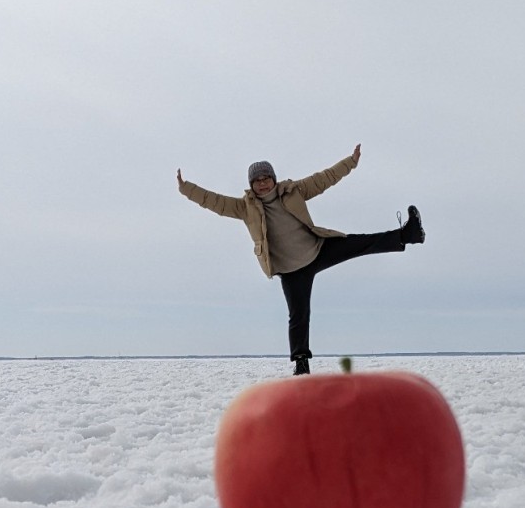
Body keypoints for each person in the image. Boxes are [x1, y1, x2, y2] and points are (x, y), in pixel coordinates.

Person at [176, 144, 425, 375]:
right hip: (291, 270)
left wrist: (350, 162)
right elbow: (215, 202)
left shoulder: (293, 191)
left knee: (359, 243)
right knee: (298, 315)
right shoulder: (245, 207)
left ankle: (408, 234)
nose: (262, 184)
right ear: (251, 185)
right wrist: (187, 189)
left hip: (317, 249)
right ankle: (301, 362)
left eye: (266, 178)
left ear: (273, 178)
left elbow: (324, 179)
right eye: (257, 181)